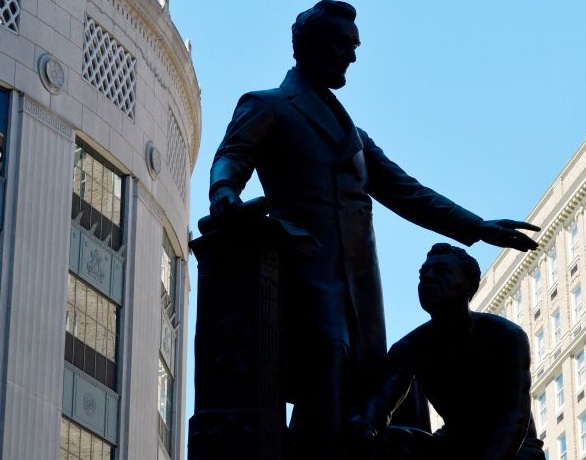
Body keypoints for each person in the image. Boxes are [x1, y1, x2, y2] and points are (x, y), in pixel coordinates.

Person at [209, 2, 541, 458]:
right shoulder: (268, 105)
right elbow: (231, 155)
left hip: (362, 284)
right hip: (308, 269)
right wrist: (224, 191)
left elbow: (407, 192)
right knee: (327, 368)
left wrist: (477, 227)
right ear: (310, 45)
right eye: (343, 44)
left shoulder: (356, 136)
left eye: (354, 46)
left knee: (367, 387)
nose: (353, 56)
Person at [349, 243, 545, 460]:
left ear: (469, 285)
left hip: (516, 448)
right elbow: (379, 407)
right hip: (455, 444)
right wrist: (364, 428)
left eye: (441, 271)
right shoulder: (409, 348)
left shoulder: (505, 335)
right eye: (423, 274)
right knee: (393, 441)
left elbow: (515, 418)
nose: (428, 278)